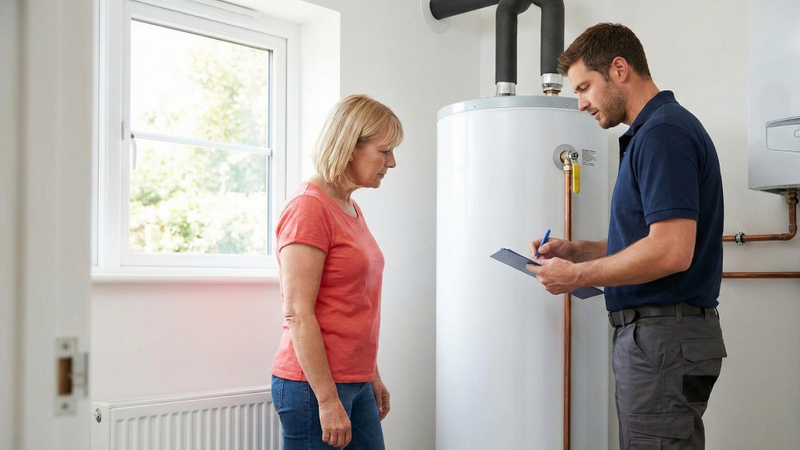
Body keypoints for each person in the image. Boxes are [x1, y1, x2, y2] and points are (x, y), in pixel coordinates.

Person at [526, 23, 727, 450]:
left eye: (584, 87)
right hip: (664, 340)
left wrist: (577, 277)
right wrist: (578, 252)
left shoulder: (662, 135)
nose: (580, 104)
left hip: (662, 341)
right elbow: (653, 238)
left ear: (619, 69)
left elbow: (672, 251)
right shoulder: (654, 133)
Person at [271, 94, 403, 450]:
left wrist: (370, 374)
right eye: (384, 151)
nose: (392, 162)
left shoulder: (349, 206)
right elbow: (298, 313)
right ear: (349, 148)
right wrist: (328, 401)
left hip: (354, 380)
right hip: (313, 387)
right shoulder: (308, 208)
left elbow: (353, 304)